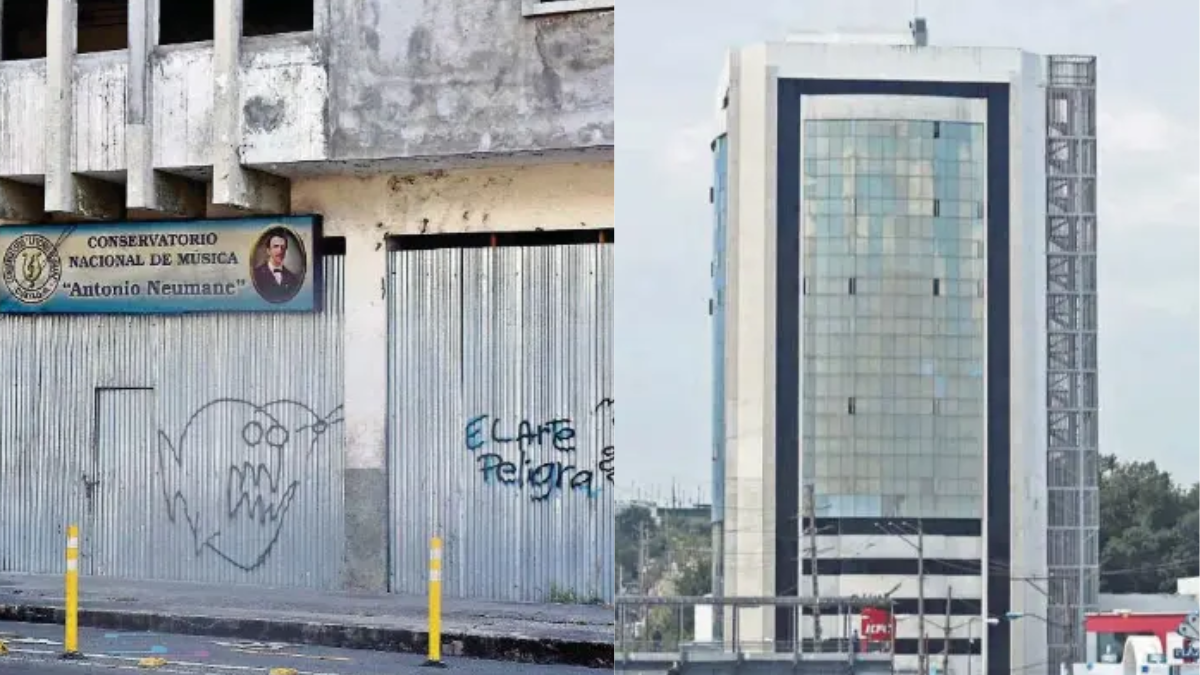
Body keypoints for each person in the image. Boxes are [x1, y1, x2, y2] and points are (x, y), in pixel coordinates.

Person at [251, 230, 302, 303]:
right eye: (276, 246)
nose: (280, 250)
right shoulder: (256, 274)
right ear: (268, 251)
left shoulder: (292, 279)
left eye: (283, 247)